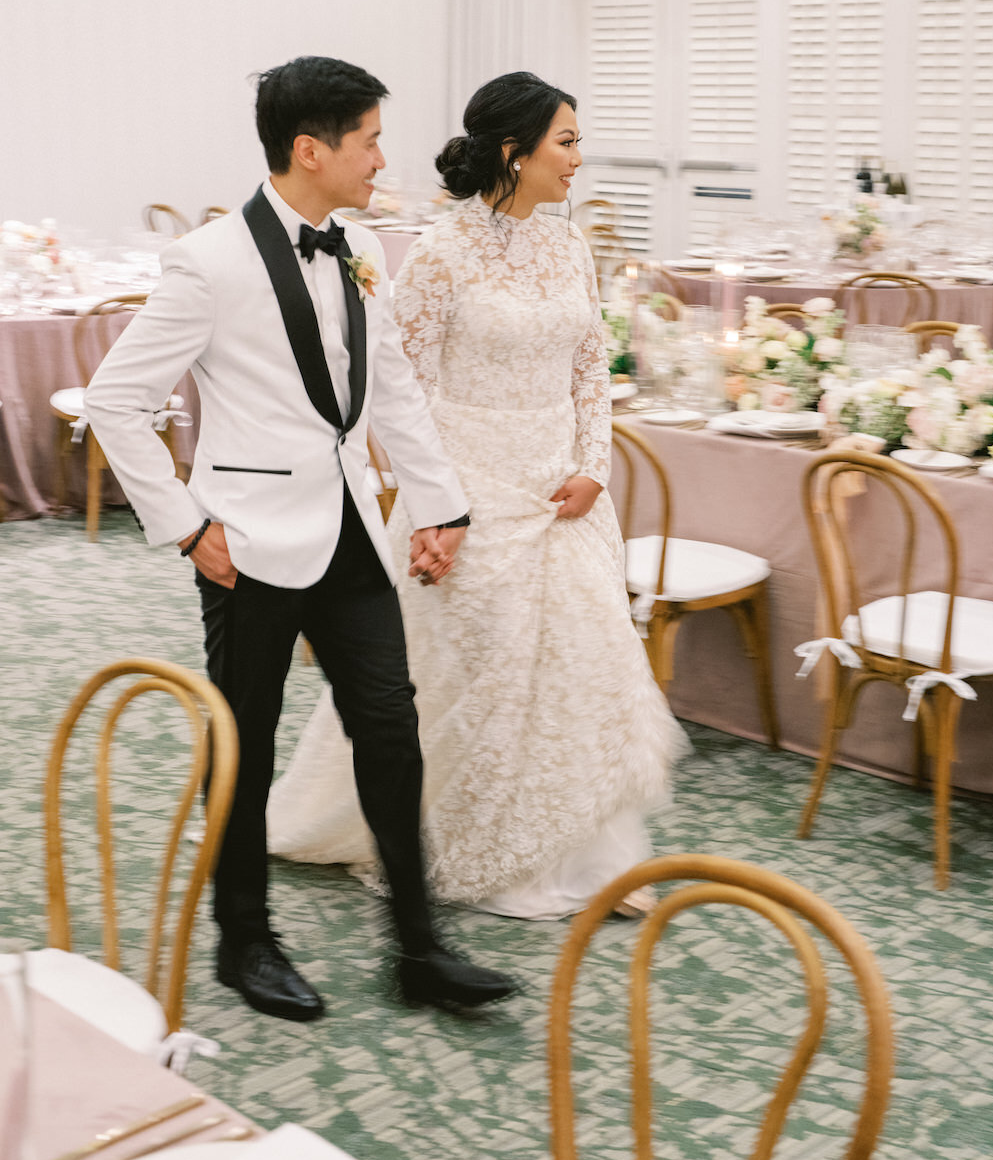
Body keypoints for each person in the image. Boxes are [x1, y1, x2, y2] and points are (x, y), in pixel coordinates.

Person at [84, 55, 515, 1019]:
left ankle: (418, 947)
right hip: (247, 543)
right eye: (369, 140)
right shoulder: (210, 262)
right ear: (311, 149)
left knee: (391, 734)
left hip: (353, 531)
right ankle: (245, 942)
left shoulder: (358, 248)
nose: (381, 158)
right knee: (244, 741)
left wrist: (440, 506)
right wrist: (187, 525)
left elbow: (391, 387)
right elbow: (117, 403)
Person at [268, 71, 687, 918]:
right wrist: (434, 505)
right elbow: (402, 392)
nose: (578, 158)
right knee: (478, 679)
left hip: (562, 489)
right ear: (513, 149)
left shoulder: (569, 245)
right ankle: (482, 854)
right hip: (468, 488)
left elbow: (589, 371)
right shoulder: (441, 252)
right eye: (565, 141)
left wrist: (593, 466)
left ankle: (585, 859)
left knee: (583, 671)